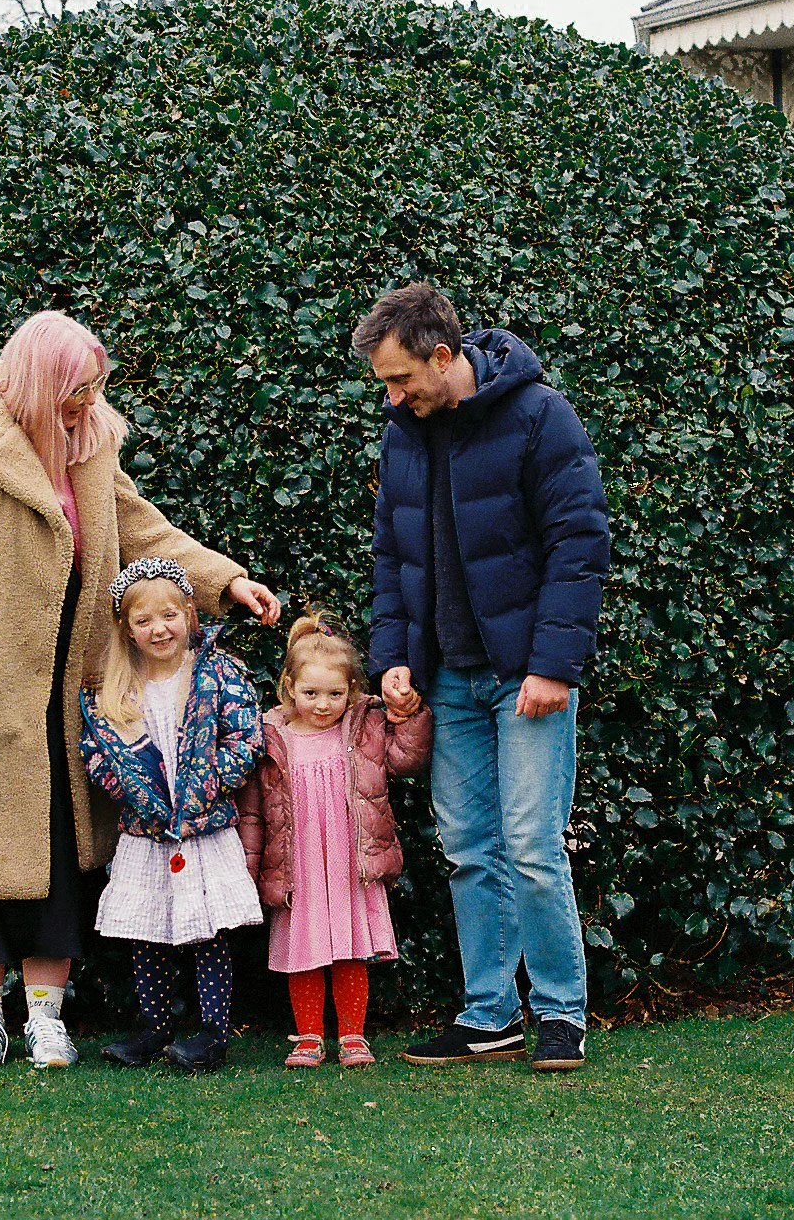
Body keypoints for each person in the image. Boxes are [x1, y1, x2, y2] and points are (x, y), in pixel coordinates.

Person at [0, 312, 280, 1071]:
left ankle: (46, 1021)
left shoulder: (92, 451)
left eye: (94, 389)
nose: (86, 404)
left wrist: (227, 580)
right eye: (74, 390)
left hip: (72, 695)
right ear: (34, 382)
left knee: (60, 864)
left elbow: (146, 534)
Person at [354, 282, 609, 1073]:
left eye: (399, 379)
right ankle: (489, 1016)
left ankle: (562, 1013)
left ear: (442, 356)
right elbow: (393, 561)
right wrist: (394, 659)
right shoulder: (405, 434)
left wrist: (552, 666)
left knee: (533, 845)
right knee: (468, 849)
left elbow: (579, 540)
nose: (392, 396)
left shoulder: (541, 417)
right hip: (450, 681)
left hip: (525, 677)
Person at [80, 558, 265, 1073]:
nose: (159, 629)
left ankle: (212, 1033)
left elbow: (246, 741)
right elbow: (95, 752)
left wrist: (203, 789)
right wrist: (131, 792)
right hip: (147, 831)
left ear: (189, 613)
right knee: (148, 928)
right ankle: (154, 1027)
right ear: (127, 629)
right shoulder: (111, 691)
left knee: (208, 930)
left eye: (169, 616)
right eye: (143, 621)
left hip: (203, 828)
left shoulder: (216, 673)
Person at [237, 613, 433, 1068]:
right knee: (302, 947)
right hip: (296, 865)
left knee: (350, 947)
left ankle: (352, 1035)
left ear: (351, 690)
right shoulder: (271, 737)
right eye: (310, 693)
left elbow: (406, 759)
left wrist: (409, 716)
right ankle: (308, 1036)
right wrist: (249, 869)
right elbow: (252, 813)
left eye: (335, 694)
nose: (323, 704)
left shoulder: (363, 729)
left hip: (351, 862)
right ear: (288, 686)